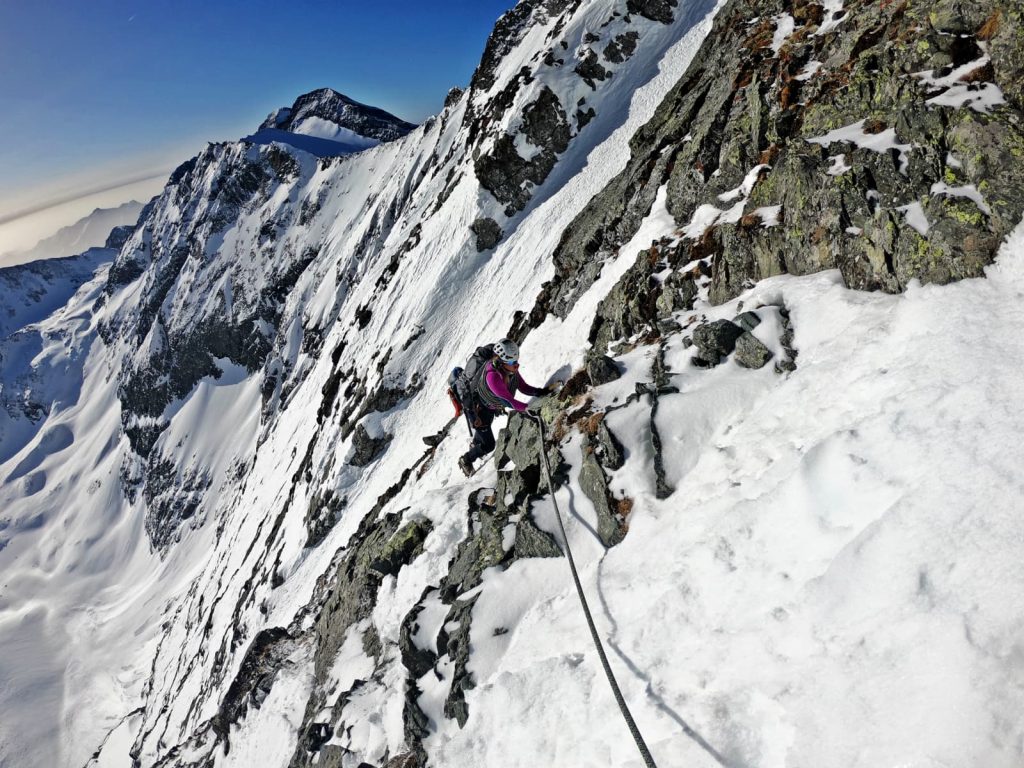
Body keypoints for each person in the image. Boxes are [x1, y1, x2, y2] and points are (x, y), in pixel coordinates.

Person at [459, 338, 549, 477]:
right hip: (478, 411)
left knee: (485, 428)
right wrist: (527, 408)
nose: (516, 366)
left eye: (517, 362)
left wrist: (540, 392)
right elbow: (508, 401)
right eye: (513, 363)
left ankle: (476, 442)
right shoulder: (492, 376)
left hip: (489, 407)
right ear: (501, 362)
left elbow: (522, 386)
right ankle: (466, 459)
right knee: (489, 445)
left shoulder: (509, 369)